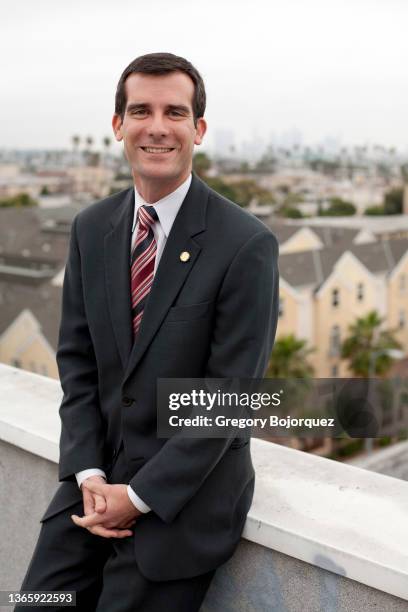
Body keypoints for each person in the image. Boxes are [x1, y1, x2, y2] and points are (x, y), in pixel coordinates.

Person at [16, 52, 279, 612]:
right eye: (141, 110)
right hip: (90, 487)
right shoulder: (92, 227)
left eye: (175, 113)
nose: (157, 126)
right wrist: (87, 471)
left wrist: (136, 497)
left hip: (179, 503)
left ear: (198, 129)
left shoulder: (246, 244)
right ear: (118, 125)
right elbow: (78, 362)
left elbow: (231, 398)